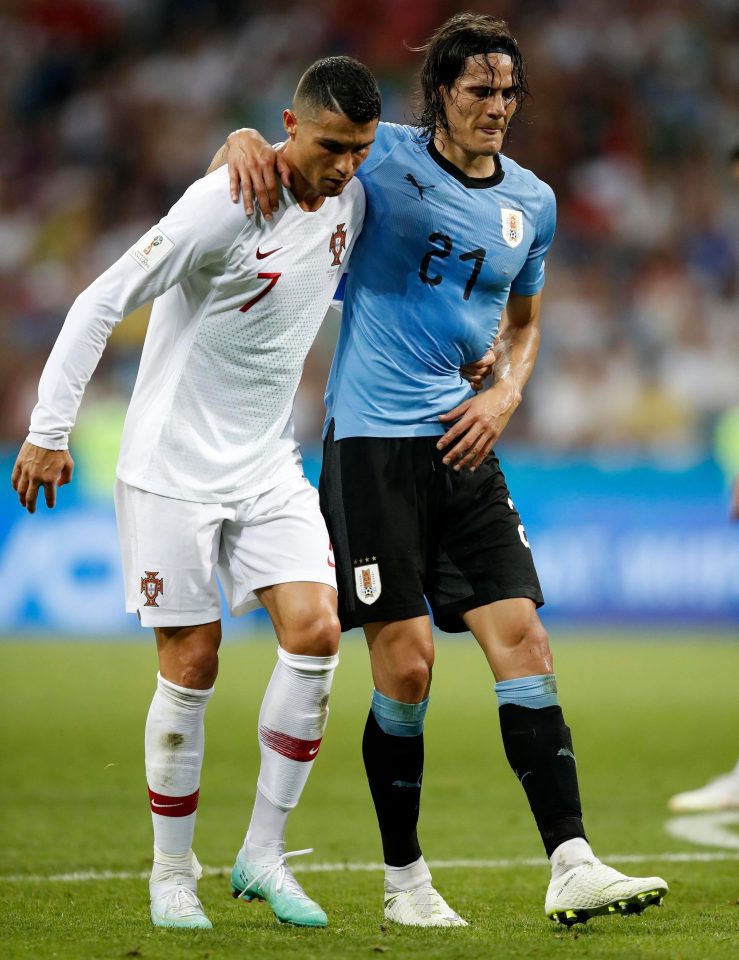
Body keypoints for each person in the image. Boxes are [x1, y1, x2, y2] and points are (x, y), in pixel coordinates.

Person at [221, 13, 668, 928]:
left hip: (467, 442)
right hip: (372, 447)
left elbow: (527, 321)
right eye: (479, 91)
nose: (497, 107)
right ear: (440, 95)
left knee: (526, 644)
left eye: (509, 93)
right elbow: (288, 145)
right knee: (409, 664)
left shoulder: (531, 204)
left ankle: (572, 861)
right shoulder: (379, 154)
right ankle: (405, 882)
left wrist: (504, 392)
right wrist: (237, 138)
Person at [12, 56, 381, 930]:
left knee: (320, 631)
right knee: (193, 662)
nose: (345, 167)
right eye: (331, 146)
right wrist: (47, 428)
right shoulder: (223, 202)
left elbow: (324, 288)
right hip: (171, 470)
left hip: (263, 464)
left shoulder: (354, 199)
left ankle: (261, 854)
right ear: (290, 127)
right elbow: (98, 302)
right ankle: (170, 874)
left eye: (359, 150)